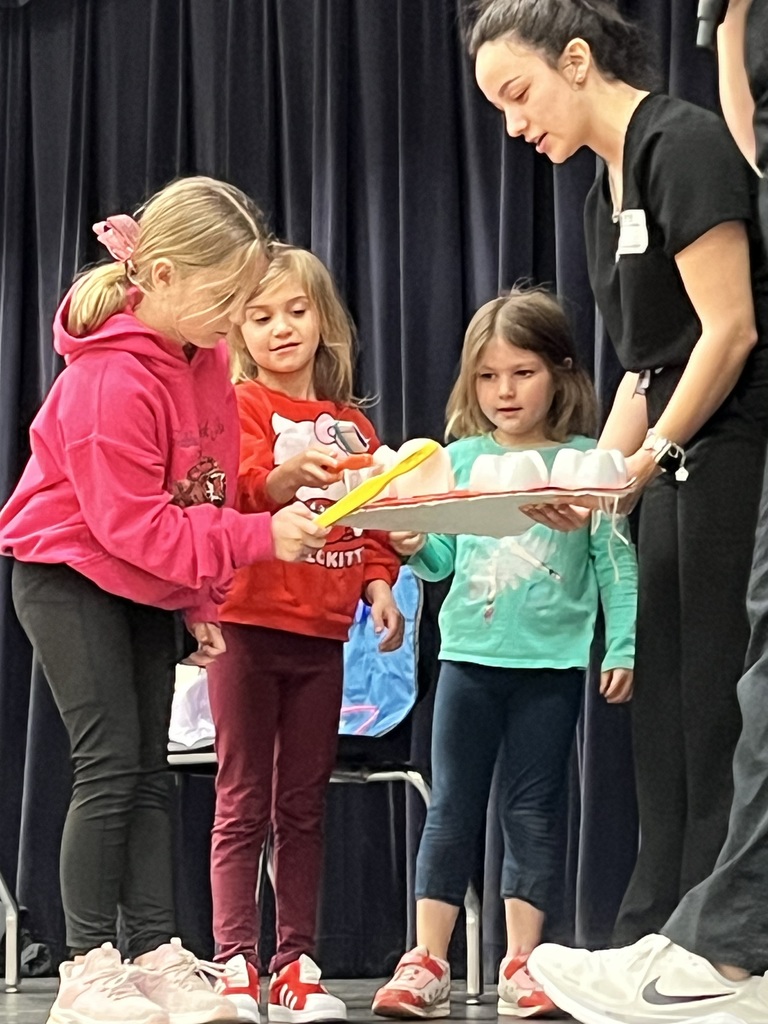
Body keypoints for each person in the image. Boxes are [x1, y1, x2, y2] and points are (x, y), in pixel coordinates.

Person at [469, 3, 768, 1023]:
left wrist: (650, 459)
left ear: (580, 60)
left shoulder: (682, 143)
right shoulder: (603, 190)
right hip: (677, 457)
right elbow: (647, 360)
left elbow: (728, 333)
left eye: (519, 95)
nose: (515, 125)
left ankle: (724, 949)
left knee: (723, 697)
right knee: (673, 712)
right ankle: (662, 928)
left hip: (737, 448)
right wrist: (599, 476)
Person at [0, 178, 328, 1024]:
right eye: (223, 299)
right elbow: (130, 526)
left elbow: (199, 490)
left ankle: (152, 954)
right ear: (166, 277)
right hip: (68, 573)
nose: (234, 318)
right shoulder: (110, 382)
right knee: (109, 767)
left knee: (149, 771)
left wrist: (197, 599)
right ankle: (86, 967)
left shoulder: (206, 358)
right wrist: (255, 545)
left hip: (138, 578)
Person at [369, 287, 637, 1020]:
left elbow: (614, 560)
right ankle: (427, 960)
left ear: (561, 372)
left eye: (522, 372)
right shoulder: (458, 458)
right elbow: (439, 557)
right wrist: (415, 542)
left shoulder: (588, 462)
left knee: (534, 811)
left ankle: (523, 964)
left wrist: (623, 642)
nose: (504, 391)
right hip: (469, 663)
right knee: (450, 806)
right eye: (488, 377)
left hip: (549, 671)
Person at [205, 245, 404, 1024]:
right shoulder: (238, 408)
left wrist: (379, 581)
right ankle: (233, 962)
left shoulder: (354, 426)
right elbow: (248, 481)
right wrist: (289, 476)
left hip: (321, 635)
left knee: (303, 805)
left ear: (324, 321)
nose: (281, 328)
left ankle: (295, 961)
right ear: (238, 333)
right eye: (260, 317)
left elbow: (374, 517)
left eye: (296, 311)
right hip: (247, 626)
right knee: (241, 798)